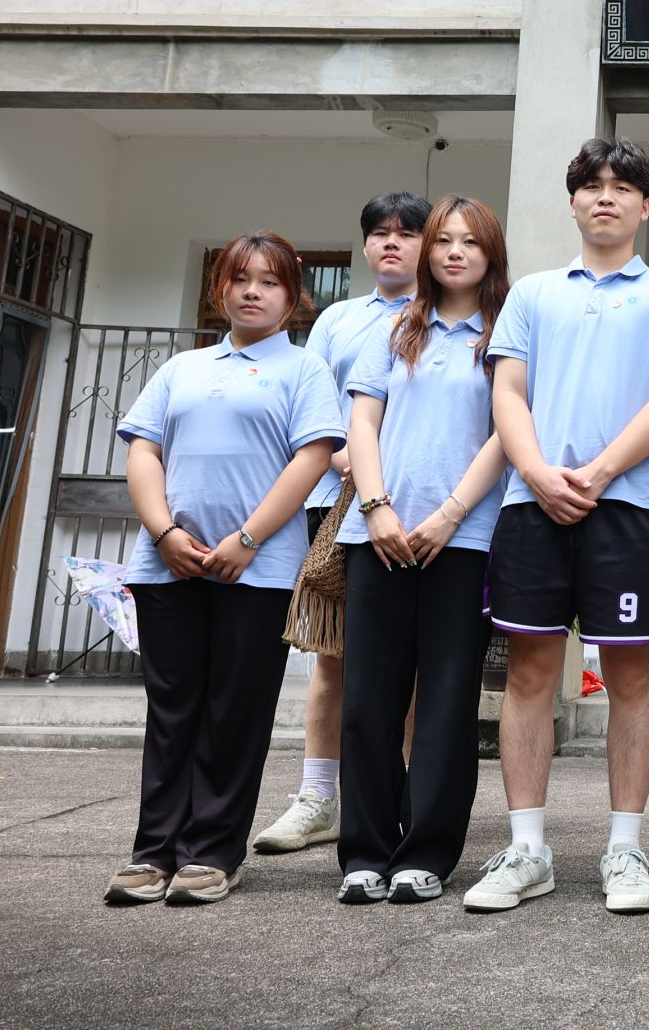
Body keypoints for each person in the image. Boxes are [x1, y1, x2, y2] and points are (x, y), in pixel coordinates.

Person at [462, 140, 649, 916]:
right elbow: (508, 393)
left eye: (623, 186)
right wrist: (537, 472)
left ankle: (625, 847)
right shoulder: (532, 293)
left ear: (646, 205)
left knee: (630, 677)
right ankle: (527, 847)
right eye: (592, 185)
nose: (606, 196)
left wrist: (596, 474)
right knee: (529, 675)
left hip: (629, 509)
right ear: (571, 201)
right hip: (532, 507)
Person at [103, 232, 343, 906]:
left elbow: (312, 459)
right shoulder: (182, 367)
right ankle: (154, 851)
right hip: (167, 567)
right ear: (220, 290)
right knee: (172, 711)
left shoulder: (304, 370)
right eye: (240, 279)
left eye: (269, 281)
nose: (252, 291)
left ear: (292, 297)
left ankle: (212, 851)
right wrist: (164, 531)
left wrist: (246, 538)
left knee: (235, 710)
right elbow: (144, 450)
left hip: (257, 571)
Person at [334, 196, 510, 904]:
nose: (455, 252)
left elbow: (506, 434)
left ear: (491, 253)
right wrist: (376, 508)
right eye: (444, 240)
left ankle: (427, 853)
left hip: (462, 542)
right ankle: (364, 851)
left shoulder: (504, 333)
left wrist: (448, 515)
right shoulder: (396, 328)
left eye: (471, 241)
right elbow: (362, 424)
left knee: (445, 703)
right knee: (366, 702)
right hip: (374, 538)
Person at [254, 192, 429, 855]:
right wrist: (341, 453)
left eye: (406, 233)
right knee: (334, 655)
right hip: (337, 505)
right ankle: (319, 796)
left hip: (419, 507)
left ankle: (398, 798)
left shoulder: (445, 317)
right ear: (365, 245)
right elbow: (318, 406)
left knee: (412, 663)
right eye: (380, 233)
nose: (392, 243)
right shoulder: (339, 320)